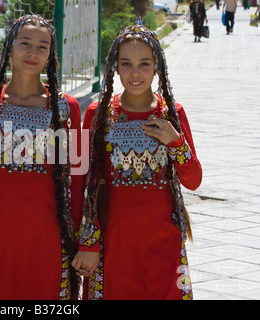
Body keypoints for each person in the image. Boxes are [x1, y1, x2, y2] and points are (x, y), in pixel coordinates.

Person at [0, 14, 84, 300]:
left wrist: (81, 241)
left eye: (42, 46)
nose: (32, 53)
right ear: (9, 47)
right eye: (25, 43)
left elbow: (79, 178)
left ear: (51, 55)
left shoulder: (68, 108)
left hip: (50, 233)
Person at [77, 18, 202, 300]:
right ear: (115, 67)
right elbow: (84, 182)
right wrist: (88, 241)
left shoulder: (173, 114)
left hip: (163, 240)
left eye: (144, 63)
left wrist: (176, 143)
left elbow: (193, 181)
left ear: (157, 66)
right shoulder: (97, 114)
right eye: (126, 64)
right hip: (113, 239)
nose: (136, 73)